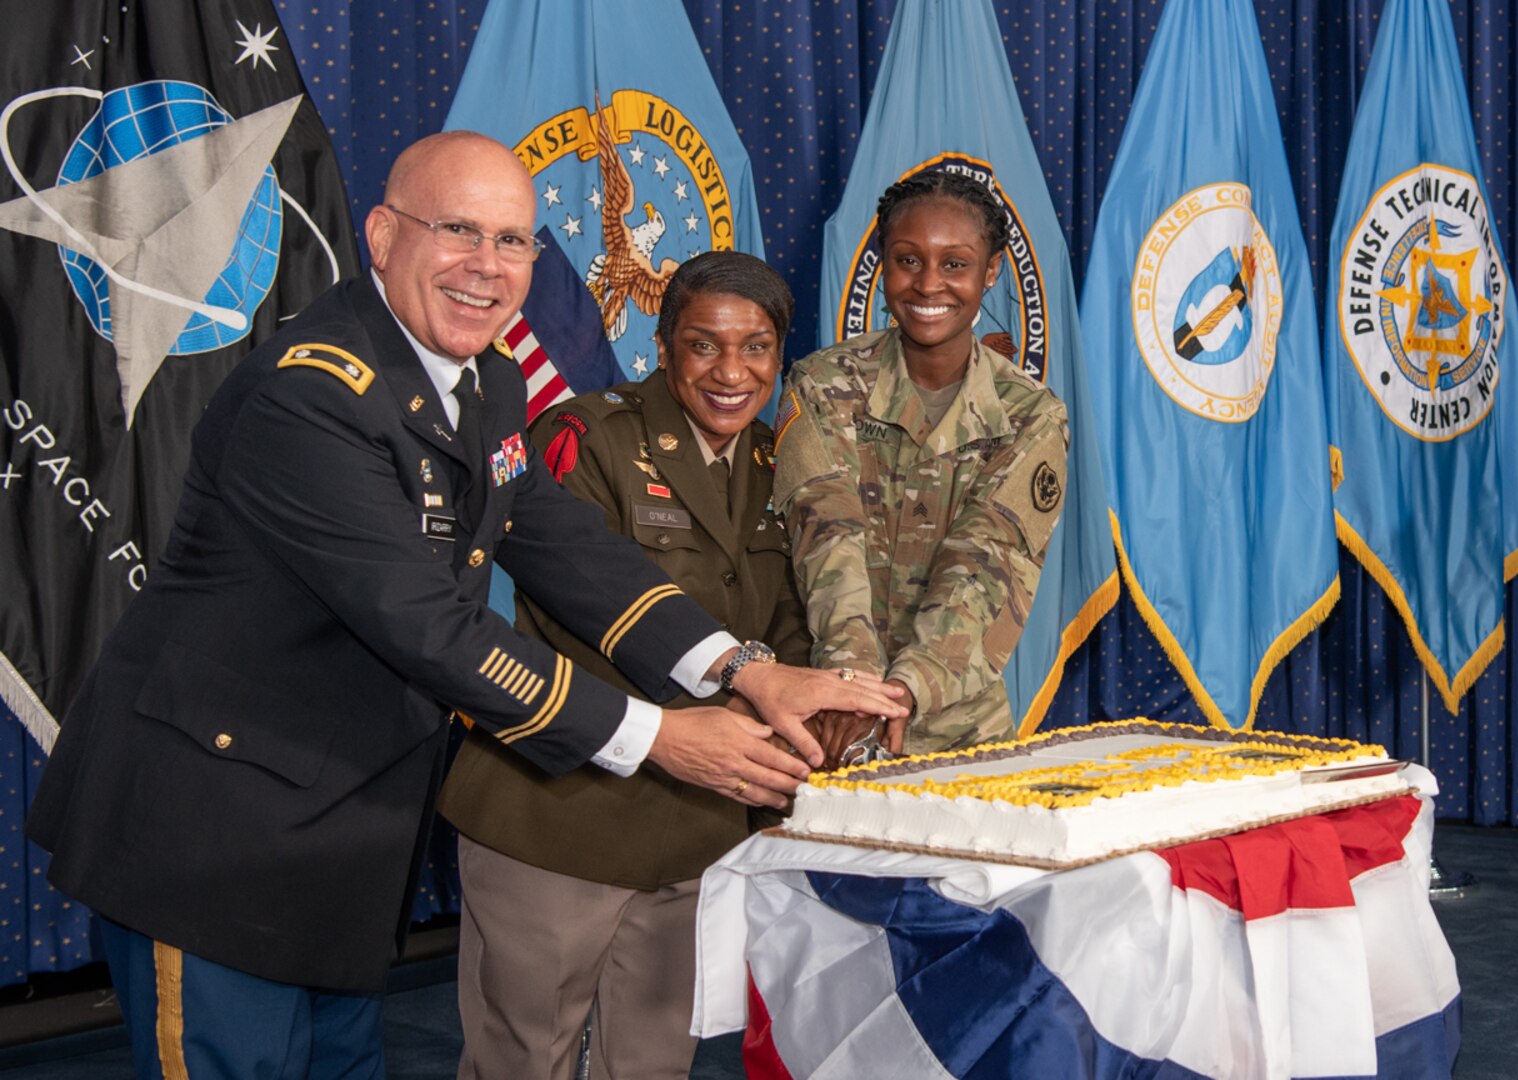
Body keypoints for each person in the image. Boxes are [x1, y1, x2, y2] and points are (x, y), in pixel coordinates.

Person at [25, 132, 904, 1079]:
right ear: (381, 235)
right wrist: (661, 736)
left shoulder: (487, 379)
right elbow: (426, 626)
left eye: (514, 240)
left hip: (340, 836)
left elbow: (559, 544)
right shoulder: (312, 398)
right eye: (457, 231)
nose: (487, 267)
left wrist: (745, 668)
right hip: (213, 838)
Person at [440, 250, 805, 1079]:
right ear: (663, 343)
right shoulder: (587, 437)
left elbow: (786, 618)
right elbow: (582, 613)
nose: (731, 371)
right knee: (522, 1061)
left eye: (755, 348)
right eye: (704, 344)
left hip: (697, 826)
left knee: (651, 1065)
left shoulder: (774, 464)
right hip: (561, 816)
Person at [774, 170, 1069, 760]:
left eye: (955, 264)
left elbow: (986, 569)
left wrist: (904, 692)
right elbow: (827, 539)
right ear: (883, 265)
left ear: (990, 273)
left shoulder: (1031, 416)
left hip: (957, 729)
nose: (928, 283)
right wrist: (853, 690)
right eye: (908, 260)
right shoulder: (821, 384)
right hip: (826, 715)